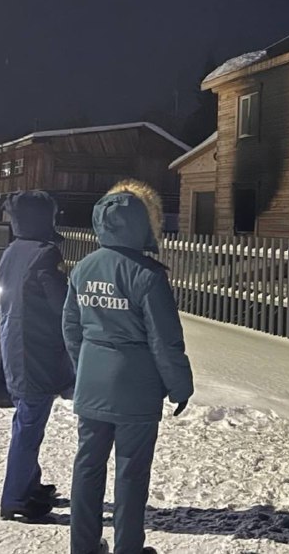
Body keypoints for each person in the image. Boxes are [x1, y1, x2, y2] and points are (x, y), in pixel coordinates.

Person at [63, 180, 194, 554]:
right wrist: (180, 386)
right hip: (136, 388)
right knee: (131, 473)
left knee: (87, 467)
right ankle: (128, 549)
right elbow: (164, 340)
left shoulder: (83, 268)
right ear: (142, 223)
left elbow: (71, 327)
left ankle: (83, 547)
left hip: (93, 384)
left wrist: (85, 367)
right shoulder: (148, 275)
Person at [0, 190, 74, 522]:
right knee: (29, 425)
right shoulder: (44, 253)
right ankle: (15, 498)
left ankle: (29, 483)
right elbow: (61, 305)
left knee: (26, 418)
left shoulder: (12, 251)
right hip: (36, 351)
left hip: (15, 346)